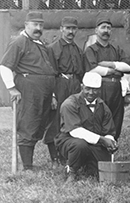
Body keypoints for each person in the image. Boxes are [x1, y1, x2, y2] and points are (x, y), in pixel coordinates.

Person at [0, 12, 57, 170]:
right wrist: (12, 89)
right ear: (26, 25)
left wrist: (52, 94)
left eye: (41, 25)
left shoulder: (41, 43)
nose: (38, 28)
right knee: (28, 124)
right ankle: (27, 166)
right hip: (28, 90)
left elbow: (47, 70)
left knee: (41, 124)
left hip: (44, 91)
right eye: (35, 25)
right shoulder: (19, 42)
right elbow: (5, 66)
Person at [55, 72, 117, 182]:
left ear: (100, 89)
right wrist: (102, 140)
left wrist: (110, 141)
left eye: (95, 89)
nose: (91, 93)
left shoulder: (103, 106)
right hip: (70, 140)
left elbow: (108, 130)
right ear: (82, 87)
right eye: (88, 88)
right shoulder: (70, 104)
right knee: (80, 145)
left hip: (95, 143)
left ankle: (87, 165)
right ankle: (72, 170)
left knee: (101, 169)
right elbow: (75, 131)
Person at [43, 17, 85, 165]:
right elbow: (50, 73)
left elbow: (81, 72)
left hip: (75, 85)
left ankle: (68, 153)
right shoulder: (52, 48)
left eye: (73, 28)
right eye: (67, 28)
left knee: (73, 118)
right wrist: (53, 95)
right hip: (59, 83)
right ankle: (54, 157)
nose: (70, 31)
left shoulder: (78, 49)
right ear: (61, 29)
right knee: (56, 120)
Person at [83, 17, 130, 139]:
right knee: (100, 117)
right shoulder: (91, 49)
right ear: (96, 30)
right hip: (101, 88)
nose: (106, 30)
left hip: (116, 88)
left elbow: (127, 67)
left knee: (116, 118)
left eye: (109, 28)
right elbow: (92, 68)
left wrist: (110, 64)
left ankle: (112, 147)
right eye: (103, 27)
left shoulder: (116, 49)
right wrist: (113, 71)